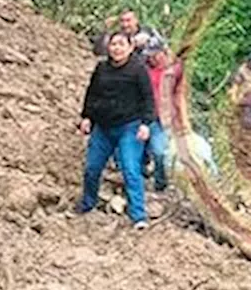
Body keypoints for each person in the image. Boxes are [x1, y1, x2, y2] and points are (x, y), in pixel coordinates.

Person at [77, 31, 155, 229]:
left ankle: (138, 215)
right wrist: (86, 117)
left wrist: (146, 123)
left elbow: (148, 98)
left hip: (129, 126)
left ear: (130, 47)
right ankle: (87, 204)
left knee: (130, 169)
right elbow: (92, 93)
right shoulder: (102, 68)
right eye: (113, 45)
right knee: (92, 169)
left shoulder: (138, 69)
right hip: (103, 127)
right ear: (108, 48)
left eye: (121, 44)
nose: (117, 48)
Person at [143, 41, 183, 191]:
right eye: (150, 56)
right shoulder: (144, 70)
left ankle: (160, 183)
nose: (152, 58)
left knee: (159, 152)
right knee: (139, 152)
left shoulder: (175, 71)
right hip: (145, 116)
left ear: (163, 53)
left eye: (155, 55)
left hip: (164, 118)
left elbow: (180, 95)